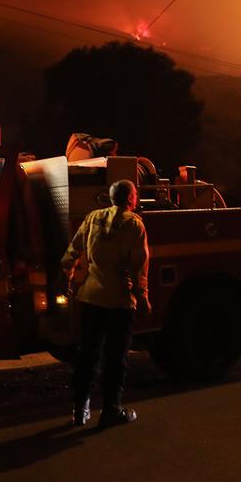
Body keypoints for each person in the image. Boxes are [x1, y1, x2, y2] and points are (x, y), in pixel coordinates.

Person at [61, 179, 151, 428]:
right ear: (132, 199)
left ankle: (80, 410)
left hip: (90, 299)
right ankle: (111, 410)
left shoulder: (92, 218)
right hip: (120, 302)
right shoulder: (134, 225)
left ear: (112, 198)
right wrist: (143, 297)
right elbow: (138, 265)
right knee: (116, 357)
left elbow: (73, 249)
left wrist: (67, 273)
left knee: (88, 355)